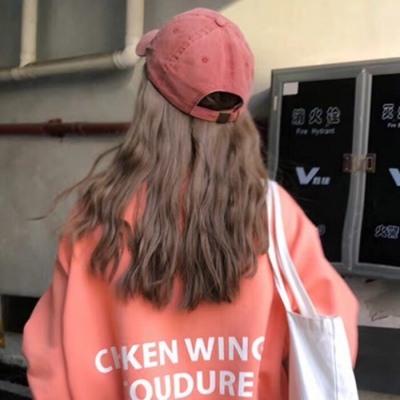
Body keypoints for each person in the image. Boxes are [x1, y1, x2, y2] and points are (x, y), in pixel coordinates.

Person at [22, 8, 358, 400]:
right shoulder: (273, 214)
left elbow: (51, 365)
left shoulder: (100, 213)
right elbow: (334, 338)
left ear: (150, 103)